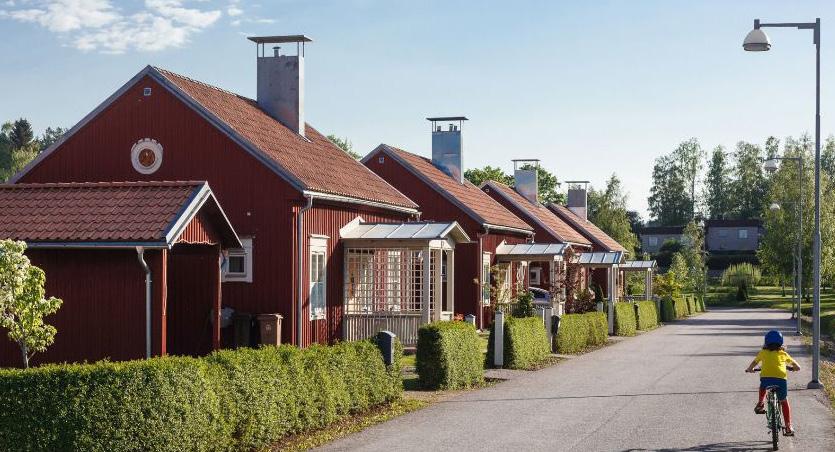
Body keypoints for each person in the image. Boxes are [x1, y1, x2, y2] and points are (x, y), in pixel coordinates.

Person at [745, 330, 800, 436]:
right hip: (781, 380)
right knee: (784, 401)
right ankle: (788, 426)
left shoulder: (763, 352)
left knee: (763, 387)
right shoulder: (783, 353)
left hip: (766, 378)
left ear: (766, 342)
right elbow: (797, 366)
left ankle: (761, 403)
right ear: (781, 343)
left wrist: (750, 369)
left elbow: (754, 363)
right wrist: (794, 368)